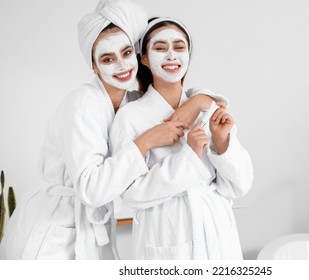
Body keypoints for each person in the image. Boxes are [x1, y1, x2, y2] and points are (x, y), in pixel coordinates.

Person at [0, 0, 226, 260]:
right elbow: (90, 188)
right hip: (49, 232)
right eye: (108, 58)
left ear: (137, 55)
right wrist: (145, 142)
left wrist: (199, 101)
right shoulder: (83, 103)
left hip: (92, 228)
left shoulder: (130, 101)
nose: (121, 65)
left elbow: (189, 96)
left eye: (126, 52)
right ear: (94, 66)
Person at [109, 17, 254, 260]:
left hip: (216, 230)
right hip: (167, 231)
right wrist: (190, 156)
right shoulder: (130, 117)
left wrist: (222, 143)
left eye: (179, 47)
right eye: (160, 47)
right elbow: (131, 193)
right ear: (143, 58)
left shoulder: (208, 109)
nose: (171, 55)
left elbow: (239, 186)